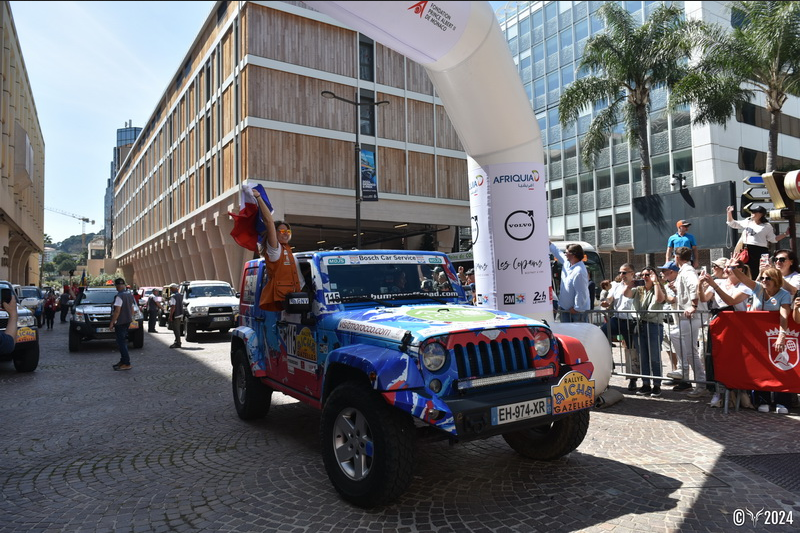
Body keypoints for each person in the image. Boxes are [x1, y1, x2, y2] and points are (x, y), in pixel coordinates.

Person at [730, 265, 792, 414]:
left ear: (776, 280)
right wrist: (733, 267)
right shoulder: (758, 288)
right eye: (763, 277)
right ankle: (762, 400)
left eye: (768, 278)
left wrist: (781, 336)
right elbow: (743, 278)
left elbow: (784, 316)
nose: (764, 280)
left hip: (775, 335)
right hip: (757, 337)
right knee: (760, 367)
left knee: (780, 367)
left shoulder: (784, 294)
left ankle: (782, 401)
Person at [698, 259, 753, 407]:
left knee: (735, 360)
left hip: (737, 327)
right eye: (727, 267)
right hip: (719, 325)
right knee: (716, 358)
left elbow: (731, 300)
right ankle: (718, 392)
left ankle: (740, 395)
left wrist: (714, 285)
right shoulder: (720, 282)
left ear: (740, 270)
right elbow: (703, 298)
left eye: (732, 267)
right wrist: (700, 283)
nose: (727, 270)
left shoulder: (745, 286)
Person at [662, 247, 708, 396]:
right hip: (688, 316)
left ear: (676, 257)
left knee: (687, 346)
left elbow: (694, 286)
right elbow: (688, 290)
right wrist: (677, 290)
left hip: (692, 316)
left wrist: (693, 306)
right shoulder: (685, 271)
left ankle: (695, 379)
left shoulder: (687, 271)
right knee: (679, 338)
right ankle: (687, 373)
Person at [253, 186, 301, 311]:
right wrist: (258, 197)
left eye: (288, 231)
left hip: (296, 300)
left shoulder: (288, 250)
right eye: (282, 231)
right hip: (284, 303)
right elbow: (269, 222)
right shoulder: (275, 249)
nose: (286, 233)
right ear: (275, 233)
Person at [624, 266, 666, 397]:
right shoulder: (639, 289)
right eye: (642, 275)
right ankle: (646, 384)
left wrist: (656, 282)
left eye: (647, 274)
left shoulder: (658, 288)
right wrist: (630, 285)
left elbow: (660, 299)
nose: (644, 277)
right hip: (640, 325)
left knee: (654, 357)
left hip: (653, 325)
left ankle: (657, 385)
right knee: (643, 357)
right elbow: (626, 295)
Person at [600, 263, 638, 391]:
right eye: (620, 272)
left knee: (631, 349)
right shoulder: (616, 285)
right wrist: (606, 302)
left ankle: (633, 378)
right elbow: (610, 298)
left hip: (631, 321)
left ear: (632, 273)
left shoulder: (637, 286)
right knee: (602, 333)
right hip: (617, 319)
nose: (621, 275)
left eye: (624, 273)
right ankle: (609, 362)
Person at [727, 205, 787, 279]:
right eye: (751, 211)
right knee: (745, 269)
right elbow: (732, 223)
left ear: (761, 214)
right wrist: (729, 212)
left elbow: (773, 239)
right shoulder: (748, 222)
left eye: (755, 212)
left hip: (760, 250)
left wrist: (785, 234)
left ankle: (758, 285)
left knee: (760, 270)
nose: (752, 213)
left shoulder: (767, 226)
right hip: (747, 250)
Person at [549, 241, 590, 322]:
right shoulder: (568, 263)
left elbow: (581, 292)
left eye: (566, 252)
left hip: (576, 312)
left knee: (578, 334)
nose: (564, 254)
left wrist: (577, 308)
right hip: (566, 309)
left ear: (573, 255)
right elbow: (558, 253)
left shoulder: (579, 271)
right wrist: (550, 244)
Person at [108, 277, 137, 371]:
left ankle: (126, 363)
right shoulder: (129, 295)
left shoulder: (119, 296)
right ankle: (123, 361)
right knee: (122, 342)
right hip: (127, 321)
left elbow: (117, 311)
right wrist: (130, 318)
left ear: (116, 286)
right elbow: (132, 309)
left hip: (120, 322)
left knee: (121, 343)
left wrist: (112, 322)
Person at [168, 283, 184, 349]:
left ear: (172, 289)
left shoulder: (173, 296)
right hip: (180, 313)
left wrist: (170, 316)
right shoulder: (180, 295)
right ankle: (177, 341)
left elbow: (173, 307)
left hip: (176, 314)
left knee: (176, 329)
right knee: (177, 328)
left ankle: (178, 343)